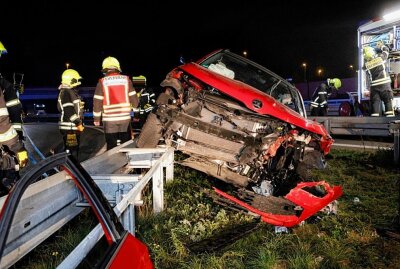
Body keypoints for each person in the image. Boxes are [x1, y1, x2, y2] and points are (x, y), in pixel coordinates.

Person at [0, 41, 28, 195]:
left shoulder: (5, 83)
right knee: (16, 163)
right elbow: (6, 116)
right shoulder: (5, 85)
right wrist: (18, 145)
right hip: (7, 136)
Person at [93, 56, 138, 150]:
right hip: (125, 118)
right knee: (126, 145)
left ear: (105, 69)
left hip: (109, 120)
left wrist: (97, 119)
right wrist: (136, 114)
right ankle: (125, 162)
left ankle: (113, 163)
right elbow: (134, 99)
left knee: (111, 146)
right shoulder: (126, 80)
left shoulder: (102, 82)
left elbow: (97, 102)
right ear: (117, 68)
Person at [57, 69, 85, 160]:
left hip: (71, 127)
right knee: (71, 152)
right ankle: (71, 170)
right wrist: (78, 123)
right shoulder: (66, 92)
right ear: (71, 80)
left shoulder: (69, 92)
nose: (78, 82)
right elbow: (69, 110)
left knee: (71, 150)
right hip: (70, 128)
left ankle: (70, 168)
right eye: (76, 80)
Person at [363, 42, 394, 117]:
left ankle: (375, 121)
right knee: (387, 101)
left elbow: (363, 67)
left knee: (375, 103)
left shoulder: (366, 65)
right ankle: (389, 119)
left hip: (374, 87)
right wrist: (382, 46)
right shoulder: (380, 58)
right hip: (384, 85)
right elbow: (386, 51)